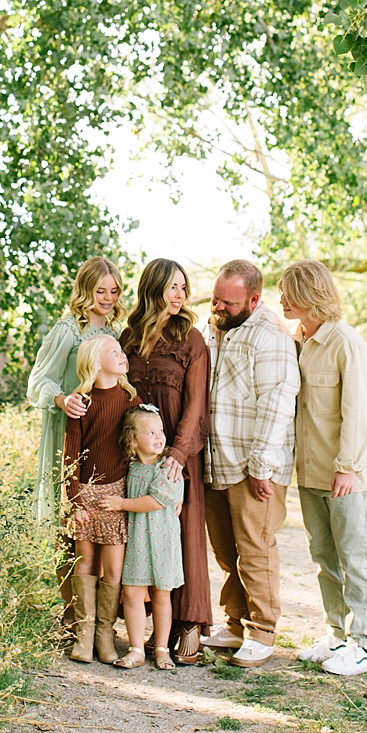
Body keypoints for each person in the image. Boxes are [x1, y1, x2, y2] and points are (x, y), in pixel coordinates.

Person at [279, 259, 367, 677]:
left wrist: (347, 467)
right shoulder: (298, 339)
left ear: (308, 295)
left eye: (287, 293)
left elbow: (356, 413)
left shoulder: (347, 344)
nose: (281, 300)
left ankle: (364, 647)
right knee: (324, 558)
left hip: (347, 475)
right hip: (311, 472)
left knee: (354, 557)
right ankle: (336, 636)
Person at [201, 259, 300, 668]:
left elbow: (278, 401)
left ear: (254, 299)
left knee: (255, 548)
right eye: (215, 299)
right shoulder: (217, 327)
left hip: (253, 463)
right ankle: (237, 623)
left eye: (228, 302)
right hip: (218, 459)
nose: (218, 308)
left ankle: (262, 631)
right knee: (227, 552)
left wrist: (262, 464)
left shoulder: (270, 335)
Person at [121, 258, 212, 663]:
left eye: (183, 288)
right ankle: (137, 630)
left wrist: (176, 453)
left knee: (184, 537)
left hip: (178, 454)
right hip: (135, 456)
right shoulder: (128, 337)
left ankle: (189, 624)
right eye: (172, 287)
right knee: (137, 537)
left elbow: (195, 404)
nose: (180, 295)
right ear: (153, 288)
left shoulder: (190, 339)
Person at [27, 257, 125, 526]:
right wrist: (61, 399)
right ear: (86, 290)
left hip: (103, 433)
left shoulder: (116, 333)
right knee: (70, 516)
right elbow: (38, 381)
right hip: (70, 430)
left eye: (114, 291)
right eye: (100, 290)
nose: (108, 298)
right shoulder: (67, 330)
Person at [63, 333, 140, 664]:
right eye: (114, 352)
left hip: (117, 494)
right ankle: (84, 633)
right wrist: (75, 500)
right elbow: (71, 455)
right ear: (96, 362)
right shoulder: (83, 403)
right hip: (85, 493)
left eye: (122, 351)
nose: (123, 355)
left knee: (113, 567)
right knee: (85, 561)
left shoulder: (130, 401)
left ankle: (106, 635)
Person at [103, 405, 184, 671]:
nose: (159, 437)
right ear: (132, 440)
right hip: (136, 540)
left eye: (160, 431)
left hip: (163, 540)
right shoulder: (130, 468)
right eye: (150, 432)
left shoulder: (168, 468)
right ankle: (136, 648)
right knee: (133, 593)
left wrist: (121, 504)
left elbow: (156, 501)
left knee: (161, 595)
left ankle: (161, 648)